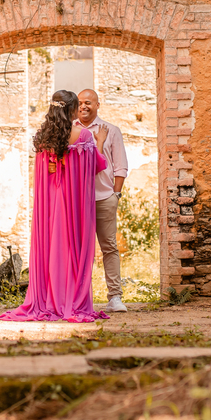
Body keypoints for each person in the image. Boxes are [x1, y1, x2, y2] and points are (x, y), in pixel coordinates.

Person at [0, 90, 111, 323]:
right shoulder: (85, 136)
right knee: (72, 246)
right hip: (73, 203)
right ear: (71, 110)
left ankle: (47, 298)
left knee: (49, 246)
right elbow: (97, 166)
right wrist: (99, 142)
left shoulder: (42, 137)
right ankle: (71, 299)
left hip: (49, 203)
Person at [77, 89, 129, 313]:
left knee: (109, 248)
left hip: (105, 198)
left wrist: (115, 195)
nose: (83, 107)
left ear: (98, 104)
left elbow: (120, 166)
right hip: (77, 200)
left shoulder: (111, 131)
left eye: (88, 102)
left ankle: (115, 297)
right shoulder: (71, 129)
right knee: (80, 250)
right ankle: (81, 299)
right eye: (79, 103)